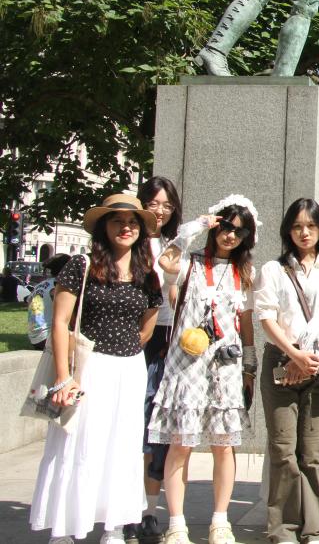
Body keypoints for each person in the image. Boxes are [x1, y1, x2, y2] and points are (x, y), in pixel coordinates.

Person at [30, 194, 162, 544]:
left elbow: (147, 327)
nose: (126, 227)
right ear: (104, 226)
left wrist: (126, 351)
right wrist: (63, 377)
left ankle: (114, 527)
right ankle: (63, 528)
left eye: (132, 222)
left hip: (129, 370)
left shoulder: (147, 274)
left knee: (122, 448)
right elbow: (60, 322)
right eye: (117, 220)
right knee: (76, 445)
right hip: (88, 368)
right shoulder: (82, 265)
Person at [148, 197, 260, 544]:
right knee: (181, 443)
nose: (231, 235)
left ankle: (220, 521)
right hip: (187, 365)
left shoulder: (245, 273)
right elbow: (165, 260)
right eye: (226, 226)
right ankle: (176, 522)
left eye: (239, 232)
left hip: (225, 367)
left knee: (223, 446)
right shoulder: (191, 264)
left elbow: (245, 323)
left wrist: (250, 365)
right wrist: (196, 226)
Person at [253, 198, 319, 544]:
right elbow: (266, 316)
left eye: (310, 225)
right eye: (297, 226)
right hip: (281, 362)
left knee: (313, 453)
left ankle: (315, 527)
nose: (304, 232)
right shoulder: (273, 270)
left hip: (318, 366)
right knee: (283, 450)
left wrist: (308, 355)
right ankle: (283, 529)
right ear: (287, 231)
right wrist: (293, 354)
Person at [136, 175, 183, 544]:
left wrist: (173, 278)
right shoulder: (129, 241)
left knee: (157, 431)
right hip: (129, 340)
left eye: (167, 205)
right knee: (129, 428)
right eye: (153, 204)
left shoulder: (175, 245)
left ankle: (148, 512)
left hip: (166, 340)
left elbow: (178, 296)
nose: (160, 211)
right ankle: (124, 507)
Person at [26, 254, 72, 351]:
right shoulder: (58, 287)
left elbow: (29, 301)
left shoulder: (40, 285)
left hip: (35, 336)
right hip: (47, 337)